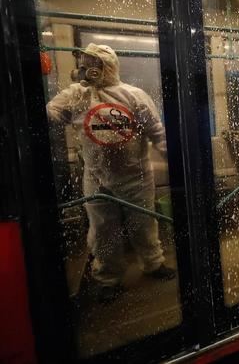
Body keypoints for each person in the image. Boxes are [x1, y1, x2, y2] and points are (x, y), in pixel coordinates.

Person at [47, 43, 176, 303]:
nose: (86, 69)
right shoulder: (76, 95)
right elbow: (49, 116)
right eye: (83, 63)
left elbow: (157, 133)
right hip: (96, 178)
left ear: (107, 66)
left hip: (135, 176)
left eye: (92, 64)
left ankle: (153, 264)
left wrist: (176, 166)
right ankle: (108, 278)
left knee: (143, 224)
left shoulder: (134, 96)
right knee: (103, 230)